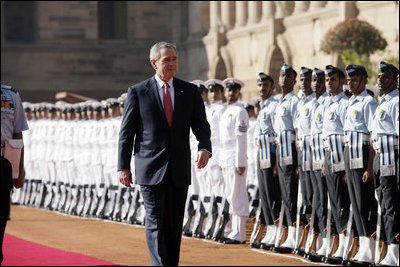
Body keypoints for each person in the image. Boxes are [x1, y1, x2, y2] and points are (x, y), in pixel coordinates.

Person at [117, 41, 211, 266]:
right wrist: (123, 166)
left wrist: (204, 147)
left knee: (173, 224)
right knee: (156, 222)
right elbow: (126, 133)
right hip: (149, 168)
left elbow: (201, 124)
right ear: (154, 63)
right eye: (166, 60)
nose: (172, 64)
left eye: (174, 59)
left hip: (178, 168)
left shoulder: (188, 91)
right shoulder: (138, 92)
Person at [343, 64, 378, 265]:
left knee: (365, 202)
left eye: (355, 79)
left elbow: (373, 136)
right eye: (349, 79)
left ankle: (370, 249)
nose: (351, 83)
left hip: (363, 154)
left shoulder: (368, 103)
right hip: (350, 154)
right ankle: (363, 246)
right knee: (355, 204)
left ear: (364, 81)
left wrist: (370, 166)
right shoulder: (351, 102)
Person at [371, 61, 399, 266]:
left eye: (385, 76)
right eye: (379, 76)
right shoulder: (383, 101)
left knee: (391, 205)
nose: (380, 79)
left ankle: (395, 250)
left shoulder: (396, 101)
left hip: (392, 157)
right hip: (381, 157)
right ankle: (390, 247)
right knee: (384, 202)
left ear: (395, 79)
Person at [218, 77, 249, 244]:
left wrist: (240, 162)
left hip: (235, 157)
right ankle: (233, 231)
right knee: (230, 195)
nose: (231, 93)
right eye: (229, 90)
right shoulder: (226, 111)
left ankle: (240, 233)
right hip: (225, 157)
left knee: (238, 195)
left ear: (239, 93)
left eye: (234, 90)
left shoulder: (240, 111)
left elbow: (241, 138)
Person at [273, 63, 300, 254]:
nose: (284, 78)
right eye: (282, 75)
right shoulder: (279, 101)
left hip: (291, 148)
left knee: (291, 192)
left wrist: (298, 160)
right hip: (280, 149)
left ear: (294, 80)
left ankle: (294, 234)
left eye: (288, 75)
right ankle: (288, 231)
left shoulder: (294, 101)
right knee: (284, 192)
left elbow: (297, 131)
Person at [1, 84, 29, 264]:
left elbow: (17, 134)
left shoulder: (10, 95)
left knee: (1, 215)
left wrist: (19, 169)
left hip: (3, 163)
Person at [253, 72, 281, 250]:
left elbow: (278, 136)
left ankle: (275, 230)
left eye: (266, 85)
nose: (262, 88)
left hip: (271, 154)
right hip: (261, 153)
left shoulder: (274, 106)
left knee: (273, 194)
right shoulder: (262, 106)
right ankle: (270, 229)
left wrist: (277, 162)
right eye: (260, 85)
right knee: (264, 193)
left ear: (272, 87)